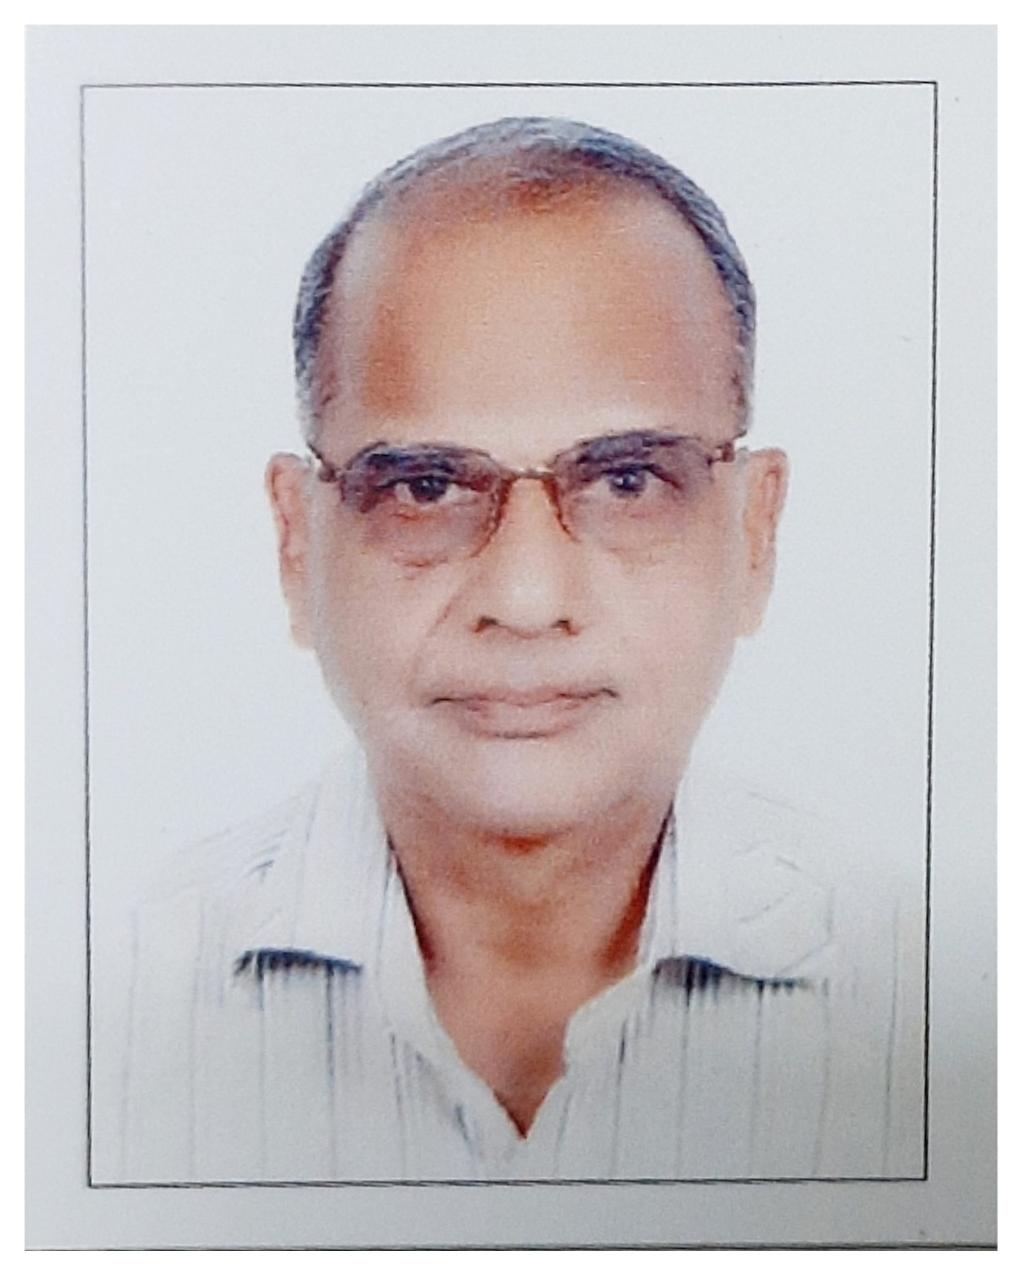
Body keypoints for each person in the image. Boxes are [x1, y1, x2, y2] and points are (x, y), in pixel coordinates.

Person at [93, 116, 922, 1183]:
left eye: (626, 479)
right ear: (298, 542)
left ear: (755, 533)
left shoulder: (938, 997)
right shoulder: (93, 1013)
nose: (527, 600)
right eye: (425, 486)